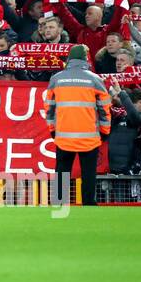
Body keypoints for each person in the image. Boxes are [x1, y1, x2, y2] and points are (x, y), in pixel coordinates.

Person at [44, 44, 111, 206]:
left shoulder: (56, 79)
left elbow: (49, 108)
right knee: (88, 173)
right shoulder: (95, 80)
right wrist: (104, 131)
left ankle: (59, 203)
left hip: (63, 136)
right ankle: (88, 204)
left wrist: (53, 130)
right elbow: (105, 108)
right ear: (85, 59)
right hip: (89, 137)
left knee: (62, 171)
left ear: (69, 58)